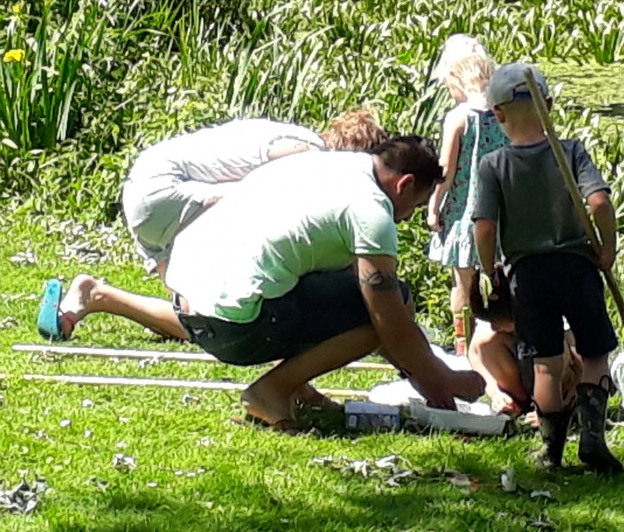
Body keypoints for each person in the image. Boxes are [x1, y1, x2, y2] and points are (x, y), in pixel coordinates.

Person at [170, 136, 487, 429]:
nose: (404, 218)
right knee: (384, 308)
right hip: (236, 327)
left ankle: (299, 390)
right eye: (415, 206)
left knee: (326, 284)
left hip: (188, 305)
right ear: (405, 184)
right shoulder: (371, 210)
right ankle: (272, 391)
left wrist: (424, 373)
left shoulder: (329, 165)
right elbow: (388, 318)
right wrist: (441, 378)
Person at [40, 109, 391, 343]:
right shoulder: (309, 152)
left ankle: (90, 298)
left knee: (196, 321)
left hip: (141, 191)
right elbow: (277, 197)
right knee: (219, 317)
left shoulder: (296, 134)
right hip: (169, 189)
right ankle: (96, 296)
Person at [471, 62, 623, 475]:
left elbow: (484, 228)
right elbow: (600, 203)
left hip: (526, 275)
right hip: (577, 267)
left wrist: (489, 270)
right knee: (594, 353)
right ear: (549, 106)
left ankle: (550, 453)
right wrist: (607, 248)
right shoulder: (570, 152)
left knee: (545, 363)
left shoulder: (493, 165)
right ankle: (592, 439)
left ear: (497, 114)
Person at [424, 36, 527, 414]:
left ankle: (463, 349)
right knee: (503, 280)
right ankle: (503, 341)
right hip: (502, 212)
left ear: (454, 76)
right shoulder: (504, 113)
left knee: (462, 284)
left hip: (465, 213)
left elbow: (446, 173)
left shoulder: (458, 117)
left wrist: (433, 207)